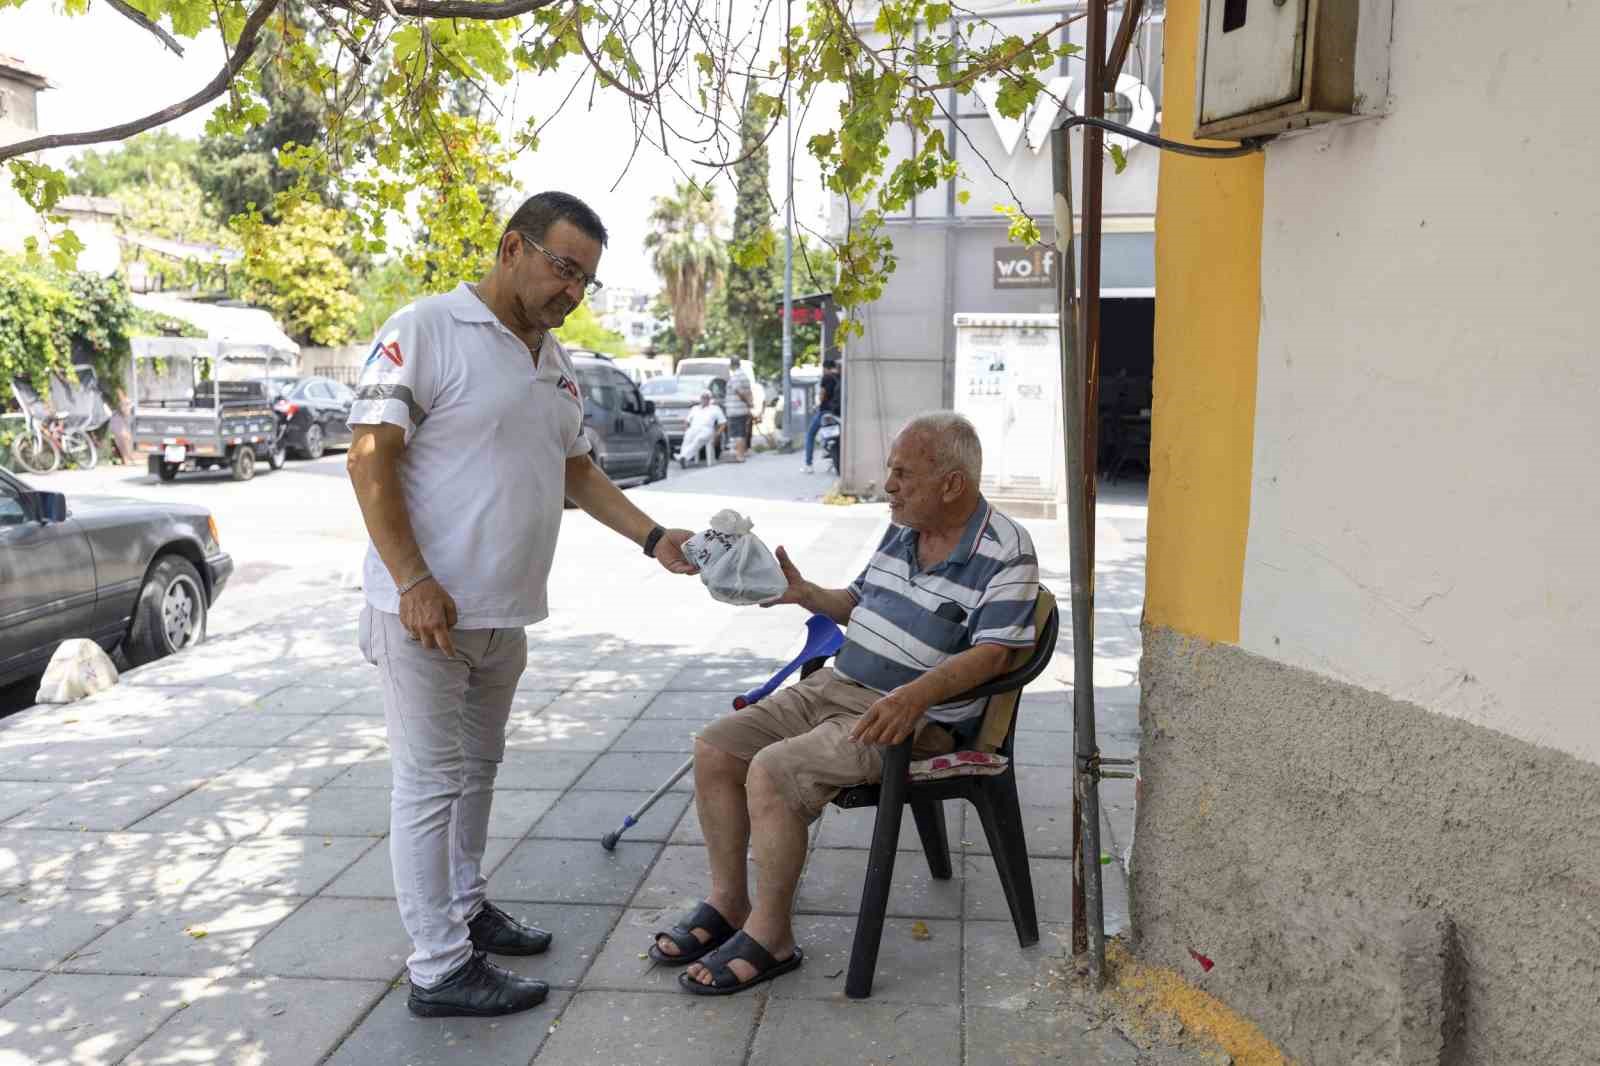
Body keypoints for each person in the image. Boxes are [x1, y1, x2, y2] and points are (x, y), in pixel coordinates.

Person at [345, 191, 699, 1019]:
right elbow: (369, 457)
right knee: (430, 784)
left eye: (586, 281)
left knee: (478, 774)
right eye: (563, 268)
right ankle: (437, 967)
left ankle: (464, 911)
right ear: (513, 248)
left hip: (503, 615)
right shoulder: (427, 328)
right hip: (426, 615)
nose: (573, 292)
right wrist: (411, 580)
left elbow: (576, 472)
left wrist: (654, 539)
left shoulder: (554, 362)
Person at [648, 412, 1040, 995]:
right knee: (716, 748)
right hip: (837, 686)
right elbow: (859, 602)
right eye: (890, 472)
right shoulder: (903, 529)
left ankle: (771, 936)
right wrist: (805, 593)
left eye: (903, 474)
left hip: (917, 719)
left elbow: (996, 656)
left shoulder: (1007, 551)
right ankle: (729, 903)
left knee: (775, 771)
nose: (890, 486)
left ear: (952, 484)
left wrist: (917, 694)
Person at [802, 359, 840, 474]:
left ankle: (809, 465)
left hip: (824, 412)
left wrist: (819, 401)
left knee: (810, 435)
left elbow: (822, 394)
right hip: (837, 413)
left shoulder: (826, 377)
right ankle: (828, 452)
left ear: (825, 368)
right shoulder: (840, 377)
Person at [677, 390, 726, 468]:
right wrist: (686, 429)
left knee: (699, 439)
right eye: (703, 397)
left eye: (707, 398)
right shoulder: (695, 408)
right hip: (693, 428)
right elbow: (687, 421)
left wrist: (717, 434)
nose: (704, 399)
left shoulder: (715, 408)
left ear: (710, 399)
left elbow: (723, 423)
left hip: (707, 430)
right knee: (687, 437)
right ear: (700, 398)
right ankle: (684, 458)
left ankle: (683, 457)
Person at [724, 355, 754, 462]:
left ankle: (739, 456)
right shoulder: (744, 375)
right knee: (741, 432)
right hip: (742, 409)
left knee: (737, 434)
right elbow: (749, 392)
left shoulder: (736, 376)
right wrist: (750, 403)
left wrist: (747, 402)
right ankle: (741, 454)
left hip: (735, 409)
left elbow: (738, 392)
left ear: (732, 365)